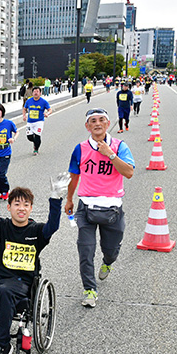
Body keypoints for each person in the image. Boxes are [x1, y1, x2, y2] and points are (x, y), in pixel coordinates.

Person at [0, 174, 68, 354]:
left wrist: (56, 199)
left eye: (26, 205)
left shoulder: (37, 231)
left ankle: (3, 344)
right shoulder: (3, 225)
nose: (21, 208)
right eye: (17, 204)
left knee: (6, 291)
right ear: (9, 207)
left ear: (31, 209)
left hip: (22, 281)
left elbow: (53, 226)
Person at [65, 108, 134, 308]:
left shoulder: (120, 146)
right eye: (93, 121)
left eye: (101, 120)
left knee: (111, 250)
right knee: (85, 250)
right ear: (87, 126)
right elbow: (74, 176)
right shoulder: (80, 148)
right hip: (86, 207)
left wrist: (110, 154)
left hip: (112, 209)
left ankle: (108, 263)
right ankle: (89, 289)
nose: (97, 124)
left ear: (107, 123)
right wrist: (69, 199)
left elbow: (128, 172)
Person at [23, 86, 52, 156]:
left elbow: (50, 109)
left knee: (37, 136)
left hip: (39, 122)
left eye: (37, 91)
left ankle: (36, 149)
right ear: (32, 93)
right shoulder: (29, 101)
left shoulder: (43, 101)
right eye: (34, 92)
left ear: (40, 93)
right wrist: (24, 115)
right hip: (30, 121)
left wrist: (47, 114)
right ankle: (36, 142)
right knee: (29, 137)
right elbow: (24, 108)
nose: (36, 93)